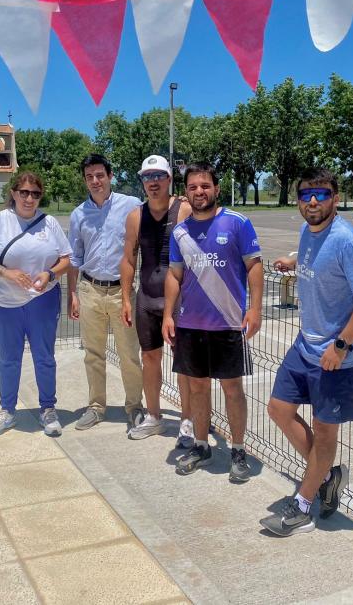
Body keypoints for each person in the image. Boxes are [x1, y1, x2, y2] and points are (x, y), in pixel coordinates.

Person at [259, 169, 353, 536]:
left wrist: (341, 346)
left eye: (322, 194)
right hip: (305, 346)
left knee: (324, 434)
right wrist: (293, 262)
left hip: (338, 356)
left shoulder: (347, 239)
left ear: (335, 198)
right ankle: (326, 476)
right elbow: (318, 259)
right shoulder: (308, 232)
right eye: (306, 194)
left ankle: (303, 506)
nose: (313, 201)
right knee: (279, 410)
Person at [162, 162, 263, 482]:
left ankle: (238, 450)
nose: (199, 192)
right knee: (197, 388)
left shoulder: (237, 223)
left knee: (232, 389)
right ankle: (202, 445)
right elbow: (175, 275)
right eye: (192, 187)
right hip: (191, 324)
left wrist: (255, 309)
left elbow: (254, 267)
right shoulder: (179, 232)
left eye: (205, 186)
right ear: (186, 193)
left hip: (228, 324)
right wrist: (167, 314)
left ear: (216, 189)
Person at [0, 172, 72, 438]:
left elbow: (66, 259)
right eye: (24, 193)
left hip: (43, 299)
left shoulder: (49, 223)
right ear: (13, 193)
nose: (29, 198)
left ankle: (48, 408)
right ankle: (7, 411)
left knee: (44, 358)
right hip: (5, 303)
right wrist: (7, 273)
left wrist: (50, 274)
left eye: (35, 194)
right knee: (9, 359)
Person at [67, 154, 145, 430]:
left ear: (110, 176)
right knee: (93, 353)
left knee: (128, 354)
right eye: (89, 177)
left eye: (100, 175)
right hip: (89, 290)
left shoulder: (132, 206)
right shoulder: (79, 214)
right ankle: (96, 406)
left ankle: (134, 406)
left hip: (121, 293)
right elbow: (74, 257)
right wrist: (73, 295)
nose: (95, 181)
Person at [120, 155, 192, 442]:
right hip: (147, 299)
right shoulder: (135, 216)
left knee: (184, 362)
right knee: (149, 358)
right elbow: (127, 260)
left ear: (169, 178)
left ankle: (188, 419)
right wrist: (126, 298)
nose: (152, 182)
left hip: (180, 301)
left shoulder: (184, 209)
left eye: (158, 176)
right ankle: (154, 415)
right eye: (147, 177)